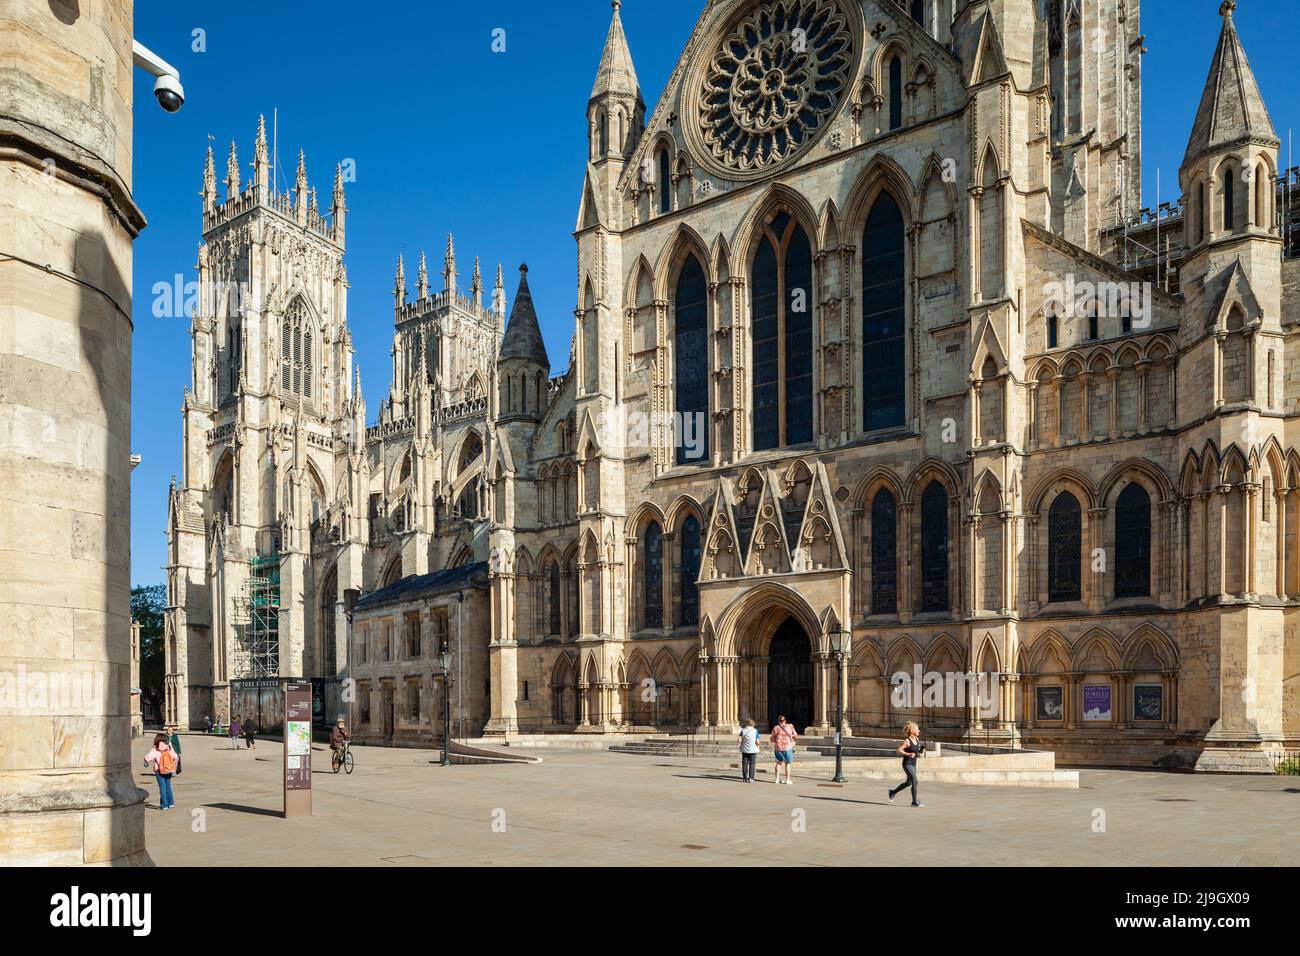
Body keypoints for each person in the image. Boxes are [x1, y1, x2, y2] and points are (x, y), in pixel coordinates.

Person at [888, 721, 925, 808]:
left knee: (909, 783)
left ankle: (892, 792)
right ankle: (914, 802)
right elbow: (899, 750)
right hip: (907, 764)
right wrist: (908, 754)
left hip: (913, 764)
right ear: (912, 731)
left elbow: (917, 751)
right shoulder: (907, 741)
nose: (919, 731)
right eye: (917, 730)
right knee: (915, 781)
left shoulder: (917, 739)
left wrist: (921, 750)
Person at [142, 732, 178, 810]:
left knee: (162, 787)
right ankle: (171, 803)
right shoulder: (169, 747)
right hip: (168, 769)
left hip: (159, 770)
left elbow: (148, 758)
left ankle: (164, 805)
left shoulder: (155, 749)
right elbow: (175, 756)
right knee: (168, 786)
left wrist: (145, 758)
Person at [770, 715, 797, 785]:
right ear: (785, 721)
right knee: (787, 764)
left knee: (778, 763)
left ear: (778, 721)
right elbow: (795, 735)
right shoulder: (790, 726)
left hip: (778, 748)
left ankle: (776, 779)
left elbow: (772, 739)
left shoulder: (776, 728)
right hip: (788, 747)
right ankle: (787, 780)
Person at [738, 718, 760, 783]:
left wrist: (742, 743)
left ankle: (744, 778)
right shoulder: (755, 731)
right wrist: (758, 745)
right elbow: (757, 741)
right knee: (752, 764)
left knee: (744, 763)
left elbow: (739, 740)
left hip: (744, 750)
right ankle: (751, 778)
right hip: (753, 750)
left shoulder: (743, 730)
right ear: (753, 724)